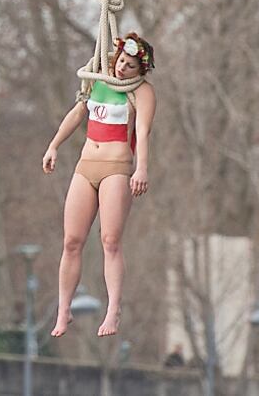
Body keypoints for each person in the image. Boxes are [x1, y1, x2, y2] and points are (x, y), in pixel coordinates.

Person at [41, 32, 156, 338]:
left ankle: (113, 309)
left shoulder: (140, 92)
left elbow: (142, 133)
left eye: (130, 66)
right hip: (86, 163)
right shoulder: (98, 77)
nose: (122, 69)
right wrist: (54, 145)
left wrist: (141, 168)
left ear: (139, 70)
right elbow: (78, 112)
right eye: (121, 61)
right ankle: (64, 308)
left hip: (116, 167)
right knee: (71, 241)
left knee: (110, 240)